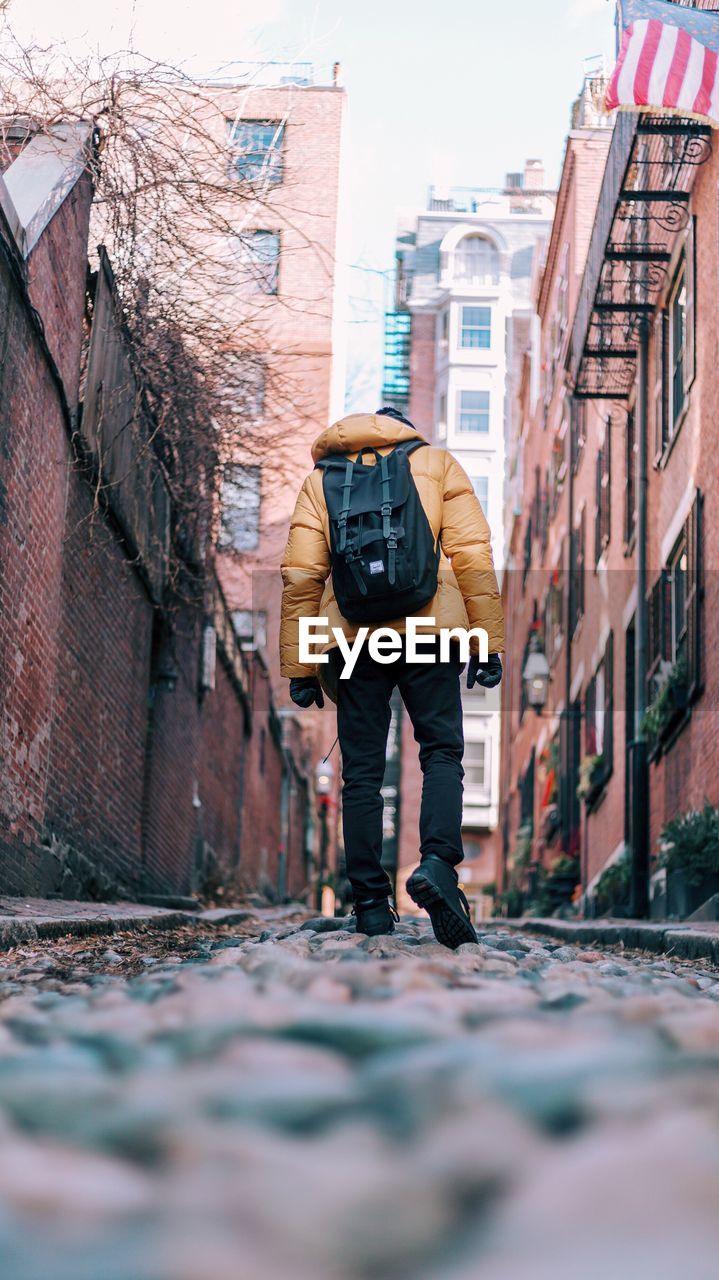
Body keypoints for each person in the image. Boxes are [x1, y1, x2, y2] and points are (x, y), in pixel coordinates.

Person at [280, 407, 504, 948]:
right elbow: (471, 555)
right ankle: (438, 867)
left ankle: (371, 904)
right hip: (431, 633)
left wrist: (302, 666)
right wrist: (487, 642)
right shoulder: (437, 463)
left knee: (361, 771)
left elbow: (302, 576)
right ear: (405, 429)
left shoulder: (321, 480)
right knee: (441, 752)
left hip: (352, 639)